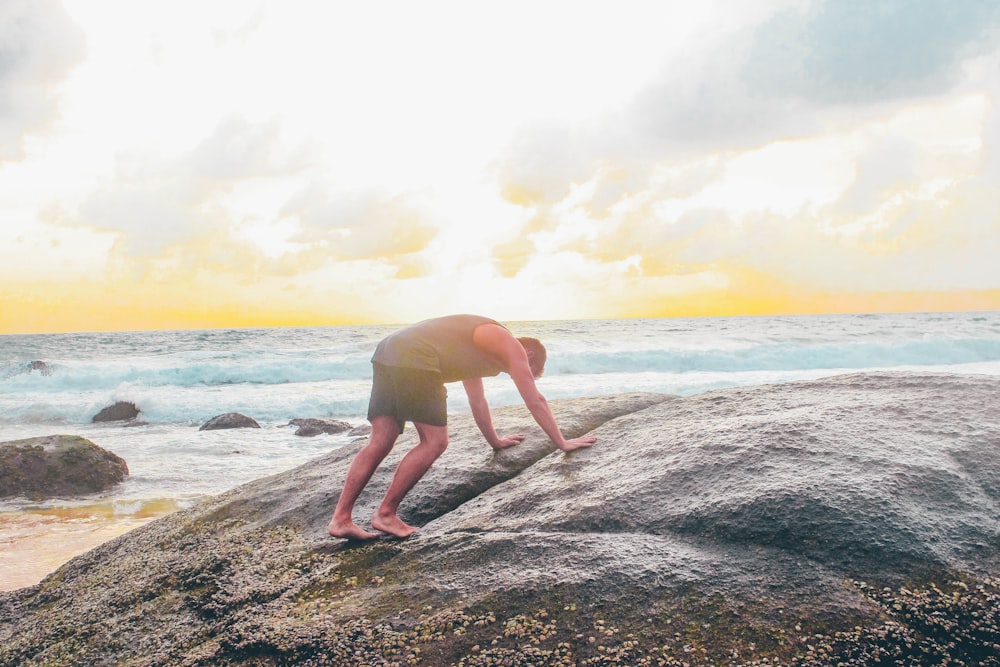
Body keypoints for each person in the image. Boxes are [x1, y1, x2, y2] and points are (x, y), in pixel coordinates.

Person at [328, 314, 596, 540]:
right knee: (435, 441)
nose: (519, 371)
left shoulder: (475, 352)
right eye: (528, 367)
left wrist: (495, 441)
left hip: (388, 350)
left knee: (381, 439)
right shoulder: (507, 342)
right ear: (528, 353)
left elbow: (477, 400)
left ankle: (341, 519)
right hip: (416, 357)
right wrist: (562, 442)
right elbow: (535, 399)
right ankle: (386, 514)